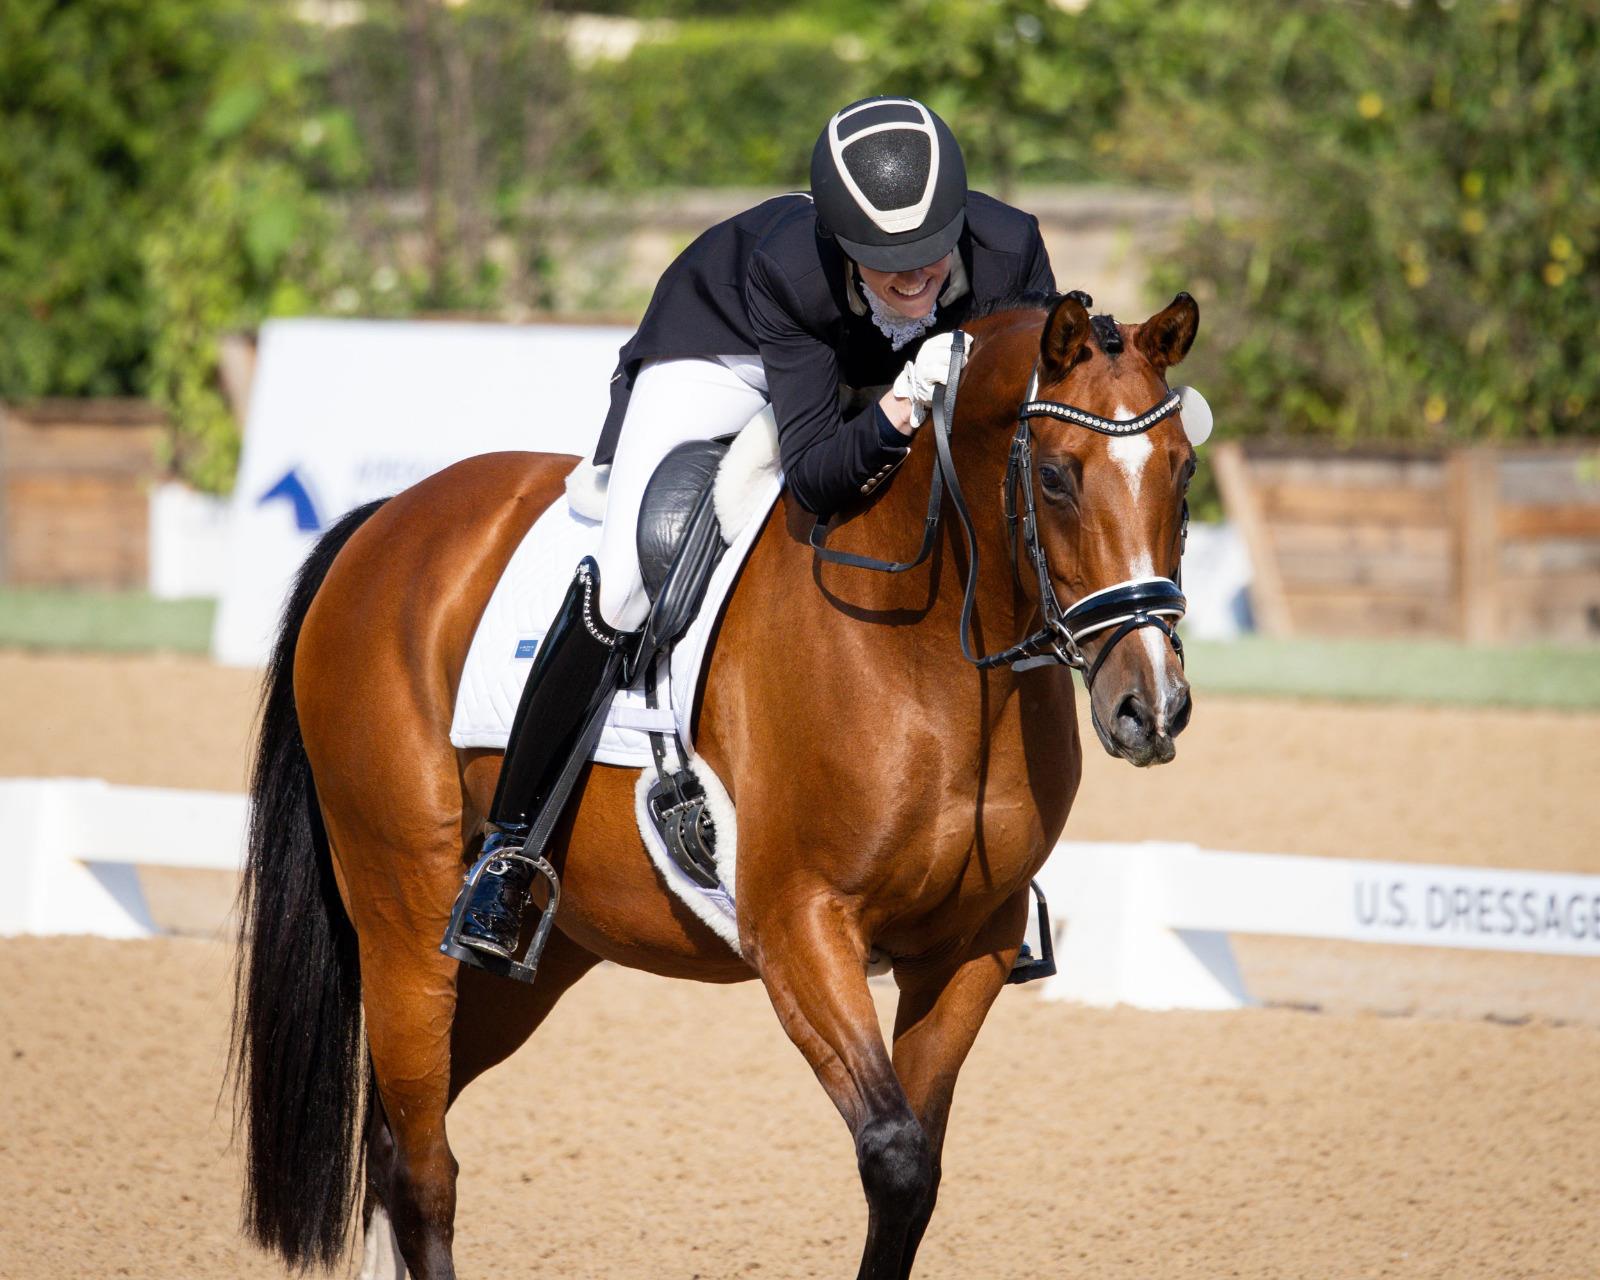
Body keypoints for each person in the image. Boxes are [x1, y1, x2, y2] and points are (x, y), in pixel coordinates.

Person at [445, 96, 1058, 967]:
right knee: (625, 581)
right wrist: (899, 405)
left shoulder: (1011, 249)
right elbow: (813, 474)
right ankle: (511, 850)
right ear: (842, 243)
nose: (915, 278)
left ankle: (991, 867)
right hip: (724, 350)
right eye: (887, 263)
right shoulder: (788, 270)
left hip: (873, 363)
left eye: (930, 252)